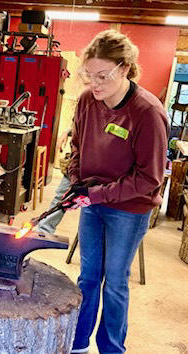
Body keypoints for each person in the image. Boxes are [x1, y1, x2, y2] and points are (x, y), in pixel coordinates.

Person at [66, 30, 168, 353]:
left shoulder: (147, 113)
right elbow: (77, 148)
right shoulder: (86, 101)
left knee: (115, 283)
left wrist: (96, 194)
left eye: (102, 76)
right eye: (88, 75)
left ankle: (111, 348)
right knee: (88, 277)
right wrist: (75, 181)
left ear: (124, 69)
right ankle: (78, 343)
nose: (94, 84)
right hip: (92, 200)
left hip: (130, 208)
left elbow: (149, 179)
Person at [36, 128, 72, 234]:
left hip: (98, 165)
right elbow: (79, 122)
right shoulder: (85, 112)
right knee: (62, 197)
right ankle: (44, 230)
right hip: (77, 162)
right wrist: (67, 131)